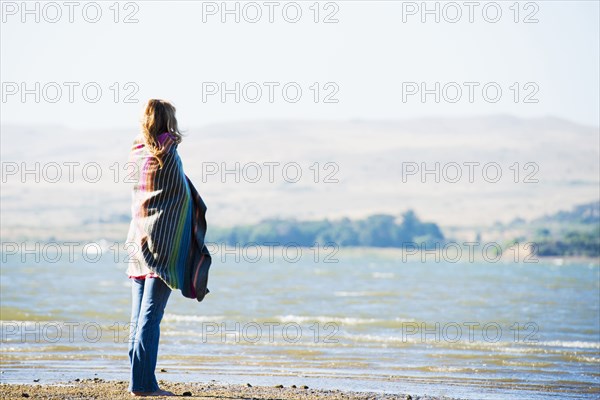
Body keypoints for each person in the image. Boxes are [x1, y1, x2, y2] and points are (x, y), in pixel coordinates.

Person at [125, 99, 211, 396]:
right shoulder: (167, 154)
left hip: (139, 242)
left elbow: (151, 196)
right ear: (167, 121)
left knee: (138, 318)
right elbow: (179, 196)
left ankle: (139, 382)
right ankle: (144, 386)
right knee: (150, 318)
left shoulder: (137, 153)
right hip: (162, 249)